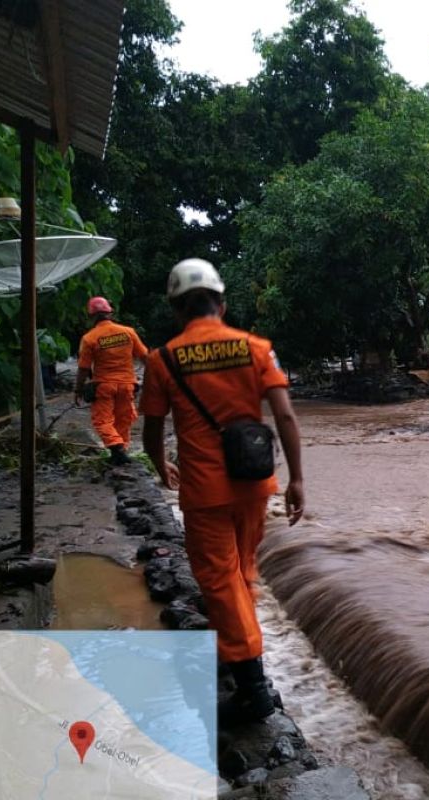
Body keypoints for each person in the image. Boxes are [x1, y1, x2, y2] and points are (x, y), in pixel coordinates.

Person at [139, 258, 304, 725]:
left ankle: (253, 689)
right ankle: (239, 643)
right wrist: (298, 479)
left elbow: (152, 428)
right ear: (222, 303)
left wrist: (157, 463)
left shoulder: (163, 359)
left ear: (176, 310)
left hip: (204, 490)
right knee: (242, 570)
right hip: (254, 483)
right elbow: (286, 417)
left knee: (219, 579)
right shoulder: (256, 348)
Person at [75, 296, 148, 465]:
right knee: (124, 419)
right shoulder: (128, 332)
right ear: (109, 312)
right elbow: (145, 357)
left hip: (104, 386)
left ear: (92, 316)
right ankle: (120, 453)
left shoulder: (90, 338)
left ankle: (116, 448)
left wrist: (78, 389)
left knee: (102, 421)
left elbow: (84, 368)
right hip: (127, 385)